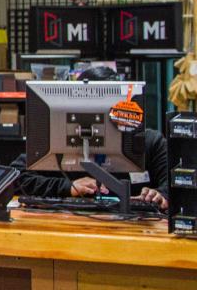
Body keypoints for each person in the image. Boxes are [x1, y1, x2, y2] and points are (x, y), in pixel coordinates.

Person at [15, 65, 171, 210]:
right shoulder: (55, 144)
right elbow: (16, 177)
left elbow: (178, 184)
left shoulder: (150, 143)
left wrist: (160, 195)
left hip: (137, 231)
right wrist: (68, 186)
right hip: (73, 229)